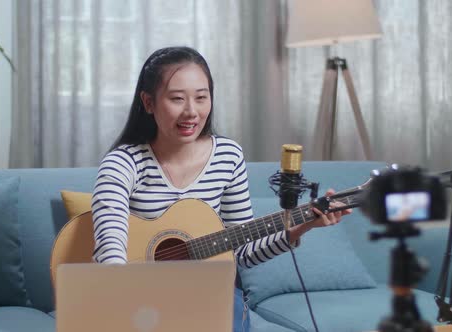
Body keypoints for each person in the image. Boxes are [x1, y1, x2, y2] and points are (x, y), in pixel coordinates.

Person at [91, 46, 351, 332]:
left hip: (206, 292)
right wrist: (123, 293)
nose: (191, 112)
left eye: (202, 98)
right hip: (137, 296)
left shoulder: (227, 156)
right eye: (177, 99)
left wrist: (303, 226)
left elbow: (243, 252)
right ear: (149, 102)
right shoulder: (124, 161)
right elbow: (109, 236)